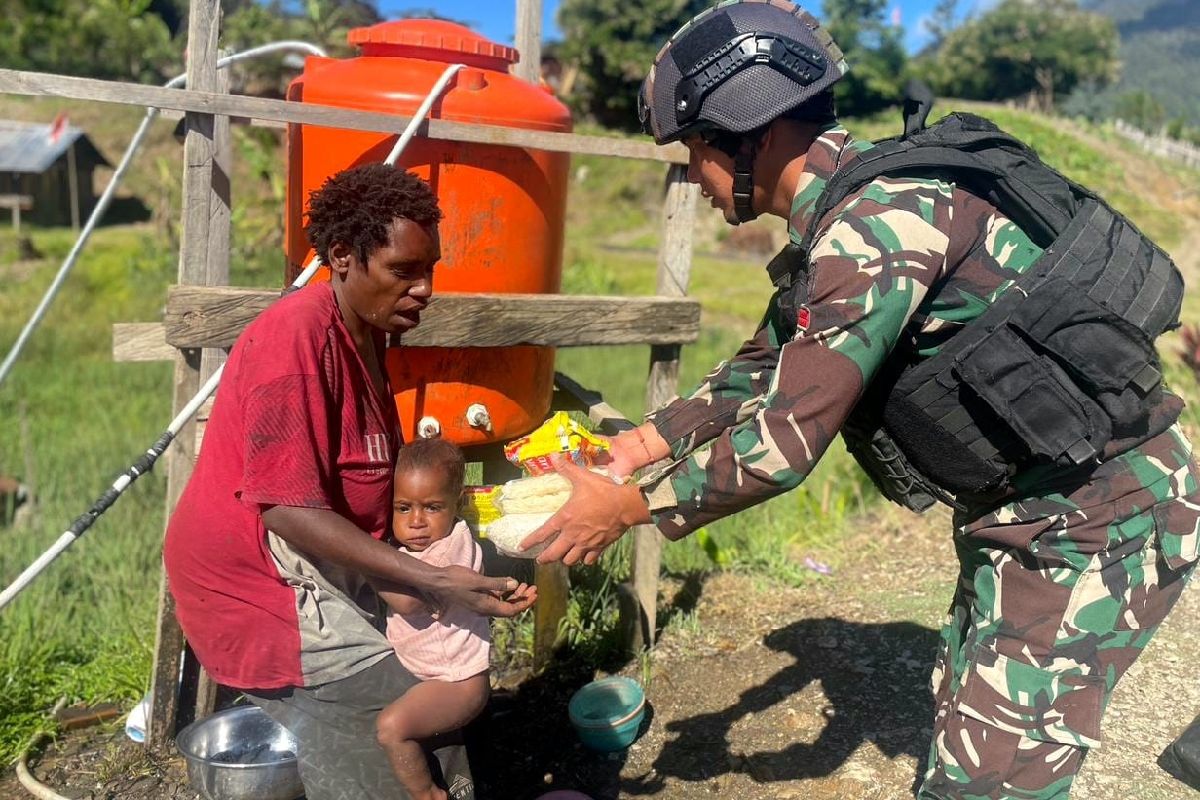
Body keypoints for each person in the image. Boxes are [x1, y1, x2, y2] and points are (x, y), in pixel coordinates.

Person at [520, 2, 1200, 798]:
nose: (692, 177)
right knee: (964, 724)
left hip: (1096, 521)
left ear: (755, 137)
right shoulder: (853, 208)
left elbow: (780, 447)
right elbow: (764, 363)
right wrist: (637, 447)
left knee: (986, 785)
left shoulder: (878, 226)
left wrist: (630, 508)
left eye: (696, 150)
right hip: (1030, 513)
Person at [163, 163, 535, 800]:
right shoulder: (295, 341)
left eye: (429, 270)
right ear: (341, 256)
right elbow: (285, 508)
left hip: (326, 570)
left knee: (451, 725)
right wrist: (434, 578)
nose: (423, 290)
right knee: (418, 753)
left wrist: (420, 577)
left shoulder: (366, 336)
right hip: (264, 587)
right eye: (402, 272)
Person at [376, 437, 501, 800]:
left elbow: (406, 601)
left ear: (457, 504)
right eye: (403, 508)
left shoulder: (453, 549)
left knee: (391, 729)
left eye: (431, 507)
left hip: (457, 684)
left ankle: (428, 794)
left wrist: (362, 559)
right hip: (432, 673)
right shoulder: (422, 545)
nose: (416, 522)